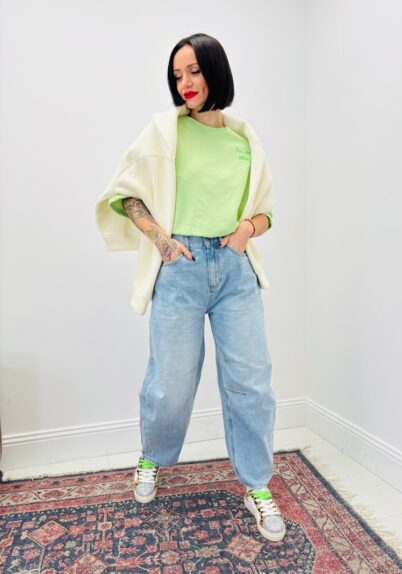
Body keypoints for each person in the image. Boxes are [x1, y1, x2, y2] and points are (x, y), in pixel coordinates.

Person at [95, 32, 285, 542]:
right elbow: (124, 195)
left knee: (251, 381)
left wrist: (246, 231)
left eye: (195, 70)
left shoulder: (245, 140)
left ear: (216, 70)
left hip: (235, 270)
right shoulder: (164, 132)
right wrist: (162, 241)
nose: (186, 83)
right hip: (180, 268)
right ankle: (152, 457)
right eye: (177, 75)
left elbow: (266, 211)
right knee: (172, 380)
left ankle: (257, 484)